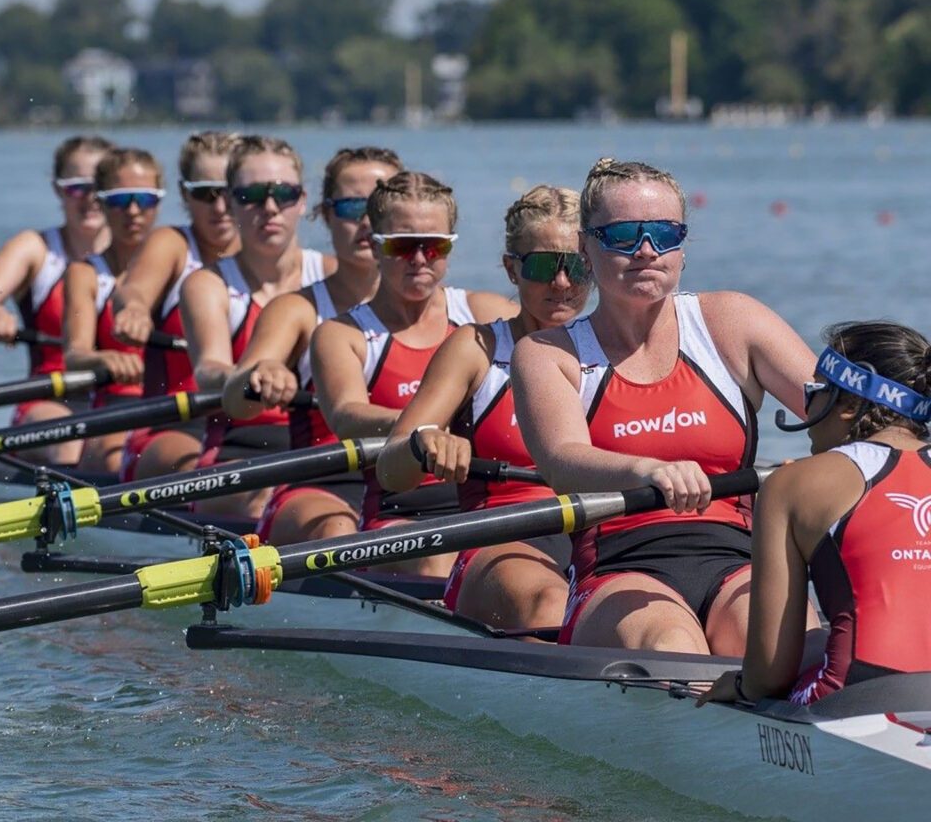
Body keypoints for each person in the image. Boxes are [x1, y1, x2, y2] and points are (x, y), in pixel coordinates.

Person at [511, 157, 818, 655]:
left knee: (797, 650)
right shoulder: (549, 353)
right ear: (586, 248)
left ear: (682, 244)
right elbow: (561, 460)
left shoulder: (732, 321)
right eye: (623, 235)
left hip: (739, 556)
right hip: (619, 563)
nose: (647, 250)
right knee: (673, 647)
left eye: (664, 232)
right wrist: (648, 468)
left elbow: (838, 411)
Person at [376, 186, 590, 629]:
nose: (562, 283)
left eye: (577, 265)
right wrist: (422, 443)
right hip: (501, 539)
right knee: (552, 605)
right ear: (512, 269)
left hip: (598, 533)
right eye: (543, 266)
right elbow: (390, 472)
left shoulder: (620, 348)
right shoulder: (476, 348)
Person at [699, 321, 931, 707]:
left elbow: (767, 676)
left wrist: (739, 687)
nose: (806, 403)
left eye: (816, 390)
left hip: (856, 697)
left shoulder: (791, 484)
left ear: (851, 404)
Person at [310, 171, 518, 577]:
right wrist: (424, 432)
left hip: (487, 506)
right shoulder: (341, 335)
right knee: (440, 564)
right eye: (404, 246)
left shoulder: (486, 313)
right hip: (401, 514)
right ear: (374, 245)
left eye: (435, 246)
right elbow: (346, 415)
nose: (421, 259)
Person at [223, 146, 403, 543]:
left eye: (382, 207)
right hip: (324, 481)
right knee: (339, 529)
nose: (369, 222)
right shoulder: (298, 309)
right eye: (354, 207)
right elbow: (234, 397)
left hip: (411, 484)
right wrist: (260, 374)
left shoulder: (460, 311)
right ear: (325, 214)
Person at [182, 134, 334, 521]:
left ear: (302, 202)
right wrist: (255, 374)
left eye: (283, 193)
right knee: (268, 500)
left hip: (326, 450)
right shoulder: (208, 284)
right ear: (231, 202)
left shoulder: (333, 275)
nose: (269, 207)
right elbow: (209, 369)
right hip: (242, 447)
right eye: (252, 195)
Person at [0, 135, 112, 462]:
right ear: (57, 190)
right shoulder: (35, 249)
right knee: (74, 439)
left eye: (99, 187)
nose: (90, 198)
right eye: (77, 187)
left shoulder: (145, 257)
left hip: (121, 400)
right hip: (49, 401)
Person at [113, 131, 241, 481]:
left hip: (248, 431)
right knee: (209, 467)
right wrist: (135, 310)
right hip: (172, 429)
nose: (219, 207)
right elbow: (133, 289)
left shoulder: (268, 257)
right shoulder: (171, 244)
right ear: (185, 194)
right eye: (205, 193)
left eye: (230, 192)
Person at [63, 147, 165, 473]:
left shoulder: (184, 271)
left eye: (146, 200)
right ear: (102, 202)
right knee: (114, 460)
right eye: (120, 200)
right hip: (112, 410)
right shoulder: (85, 273)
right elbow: (74, 355)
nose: (133, 211)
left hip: (175, 413)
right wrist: (104, 358)